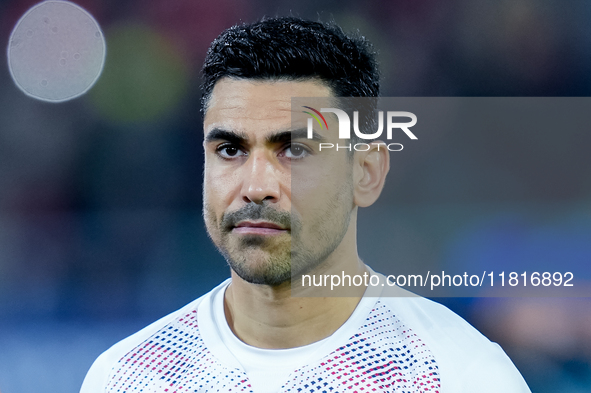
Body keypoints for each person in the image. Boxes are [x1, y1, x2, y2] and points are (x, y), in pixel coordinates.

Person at [80, 17, 531, 393]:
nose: (256, 186)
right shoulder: (127, 377)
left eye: (294, 150)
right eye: (230, 150)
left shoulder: (461, 376)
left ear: (366, 172)